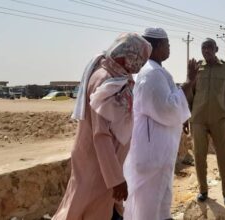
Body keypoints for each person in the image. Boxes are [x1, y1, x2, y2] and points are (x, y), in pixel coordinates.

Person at [52, 33, 152, 220]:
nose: (140, 66)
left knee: (91, 205)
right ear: (126, 57)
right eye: (140, 60)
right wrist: (116, 180)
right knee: (88, 207)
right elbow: (101, 135)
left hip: (106, 164)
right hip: (99, 165)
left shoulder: (117, 75)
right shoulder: (106, 81)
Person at [123, 28, 197, 220]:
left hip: (158, 152)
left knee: (159, 204)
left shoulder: (156, 71)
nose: (169, 47)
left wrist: (183, 115)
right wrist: (189, 82)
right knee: (148, 208)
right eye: (167, 44)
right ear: (156, 46)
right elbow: (167, 109)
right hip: (152, 154)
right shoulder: (150, 74)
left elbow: (171, 103)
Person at [185, 38, 225, 207]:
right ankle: (203, 190)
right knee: (199, 156)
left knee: (223, 156)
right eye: (203, 47)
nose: (206, 50)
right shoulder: (196, 68)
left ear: (216, 49)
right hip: (198, 118)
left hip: (219, 118)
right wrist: (186, 116)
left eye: (209, 47)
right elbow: (189, 93)